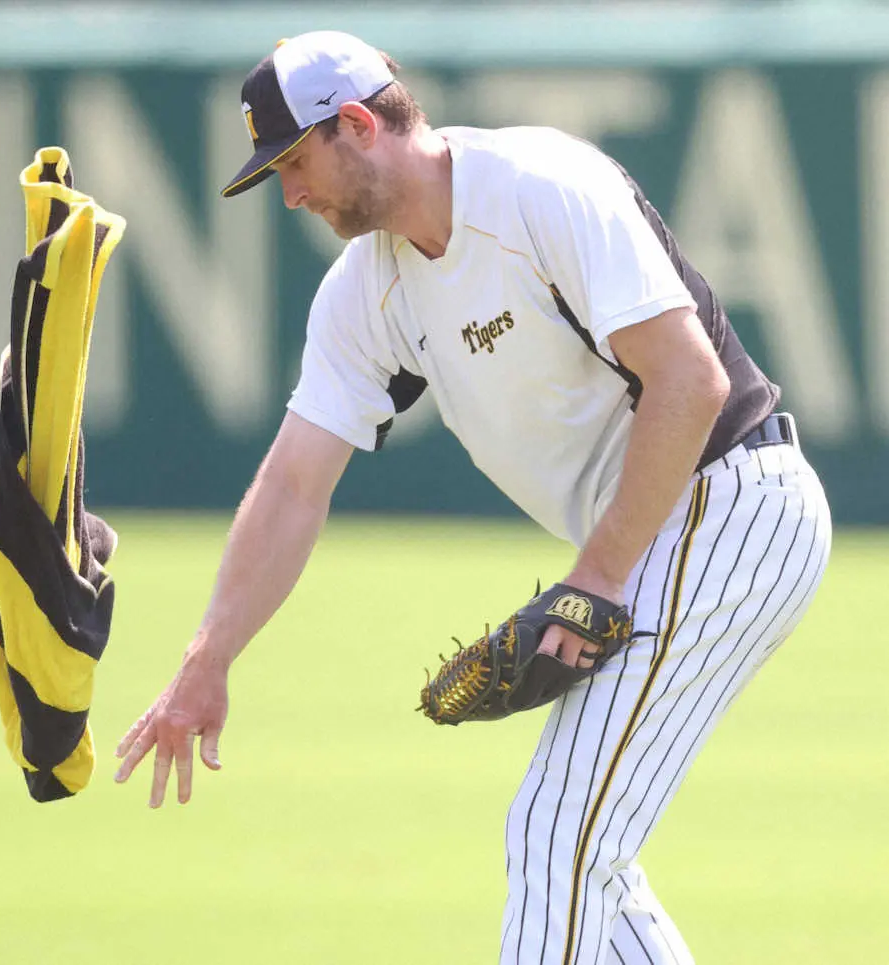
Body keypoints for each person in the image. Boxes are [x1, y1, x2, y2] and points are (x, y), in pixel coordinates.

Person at [114, 30, 831, 964]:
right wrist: (208, 658)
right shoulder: (362, 296)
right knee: (582, 851)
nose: (289, 193)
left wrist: (599, 574)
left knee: (554, 834)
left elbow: (690, 383)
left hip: (737, 506)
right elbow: (294, 482)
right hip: (661, 534)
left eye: (292, 162)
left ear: (359, 124)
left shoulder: (539, 186)